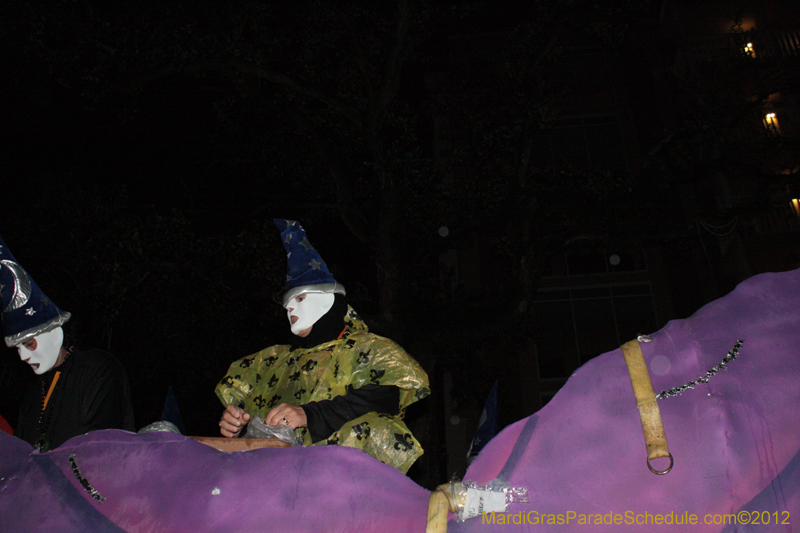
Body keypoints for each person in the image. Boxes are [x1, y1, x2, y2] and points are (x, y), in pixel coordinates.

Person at [216, 220, 430, 473]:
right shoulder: (271, 362)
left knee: (380, 429)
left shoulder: (368, 349)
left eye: (300, 298)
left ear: (328, 300)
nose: (291, 309)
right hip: (272, 476)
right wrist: (238, 423)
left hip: (338, 479)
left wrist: (310, 414)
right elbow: (248, 415)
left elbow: (383, 400)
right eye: (287, 305)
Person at [1, 236, 135, 451]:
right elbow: (22, 451)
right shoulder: (34, 393)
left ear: (54, 332)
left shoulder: (99, 369)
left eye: (29, 343)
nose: (23, 356)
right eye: (18, 348)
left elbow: (101, 447)